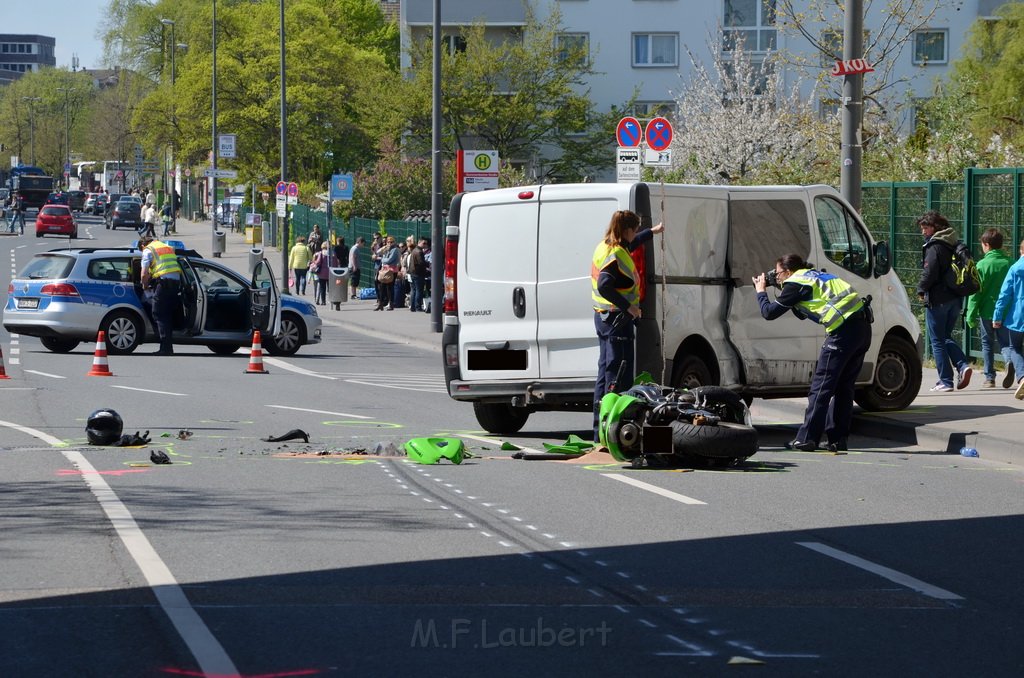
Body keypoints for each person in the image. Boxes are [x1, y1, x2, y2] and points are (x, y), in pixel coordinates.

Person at [753, 254, 872, 452]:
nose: (777, 277)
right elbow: (803, 310)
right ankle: (837, 439)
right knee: (844, 388)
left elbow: (769, 313)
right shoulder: (816, 276)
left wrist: (760, 291)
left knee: (821, 388)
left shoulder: (795, 282)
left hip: (842, 333)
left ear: (788, 271)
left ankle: (807, 438)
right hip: (862, 329)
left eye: (778, 273)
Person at [591, 210, 664, 442]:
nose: (635, 234)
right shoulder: (615, 254)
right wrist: (629, 308)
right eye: (635, 229)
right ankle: (611, 432)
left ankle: (598, 432)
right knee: (617, 376)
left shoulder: (606, 246)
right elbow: (605, 285)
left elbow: (629, 248)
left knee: (604, 374)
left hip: (603, 318)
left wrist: (650, 233)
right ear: (625, 230)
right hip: (616, 320)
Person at [916, 210, 973, 392]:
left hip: (938, 298)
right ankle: (963, 366)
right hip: (955, 298)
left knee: (937, 341)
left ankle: (945, 381)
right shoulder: (953, 242)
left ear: (935, 227)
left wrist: (921, 288)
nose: (923, 232)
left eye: (925, 228)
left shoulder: (935, 246)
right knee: (945, 337)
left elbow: (930, 271)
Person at [965, 228, 1013, 388]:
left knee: (987, 343)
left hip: (986, 311)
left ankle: (990, 377)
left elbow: (975, 293)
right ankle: (1009, 362)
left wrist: (970, 315)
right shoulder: (1010, 263)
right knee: (1006, 343)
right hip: (1007, 311)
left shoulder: (981, 265)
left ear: (986, 245)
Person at [139, 234, 182, 356]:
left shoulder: (148, 250)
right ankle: (168, 346)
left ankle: (166, 348)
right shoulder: (166, 247)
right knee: (167, 314)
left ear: (143, 246)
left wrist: (145, 286)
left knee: (159, 313)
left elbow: (143, 275)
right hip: (175, 284)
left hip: (163, 284)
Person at [993, 238, 1024, 400]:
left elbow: (1004, 295)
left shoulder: (1015, 268)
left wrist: (997, 316)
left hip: (1018, 317)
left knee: (1015, 348)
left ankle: (1022, 377)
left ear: (1021, 251)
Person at [375, 235, 400, 311]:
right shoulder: (386, 249)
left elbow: (389, 260)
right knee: (382, 287)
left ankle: (391, 304)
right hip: (384, 270)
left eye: (391, 242)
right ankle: (380, 304)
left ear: (394, 242)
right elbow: (377, 252)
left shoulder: (395, 250)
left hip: (391, 271)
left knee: (390, 287)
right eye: (388, 242)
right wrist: (384, 247)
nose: (390, 243)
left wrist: (382, 259)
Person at [312, 241, 338, 306]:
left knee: (322, 288)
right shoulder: (333, 253)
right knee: (330, 288)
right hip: (331, 273)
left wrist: (314, 262)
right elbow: (336, 263)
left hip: (322, 274)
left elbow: (318, 262)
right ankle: (331, 300)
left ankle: (323, 301)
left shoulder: (321, 253)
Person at [407, 236, 428, 312]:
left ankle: (412, 307)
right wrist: (429, 264)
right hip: (418, 273)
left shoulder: (414, 250)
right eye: (424, 243)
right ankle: (417, 307)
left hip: (413, 273)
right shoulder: (419, 251)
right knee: (419, 290)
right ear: (419, 242)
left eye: (426, 243)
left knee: (414, 290)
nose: (425, 245)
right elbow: (421, 262)